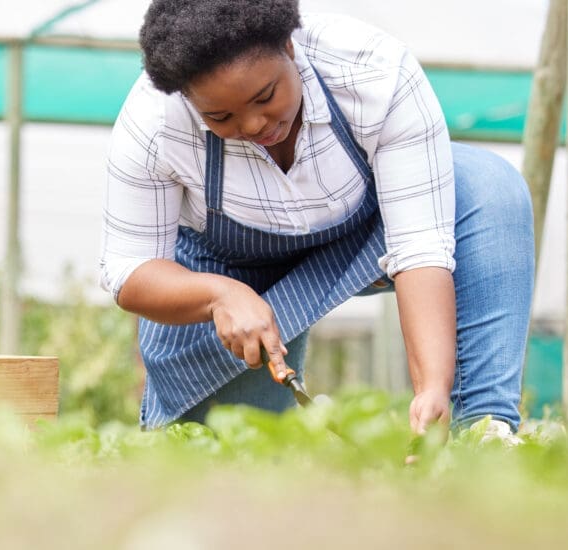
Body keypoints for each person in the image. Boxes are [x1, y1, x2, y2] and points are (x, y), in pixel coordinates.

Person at [101, 0, 533, 440]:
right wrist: (218, 295)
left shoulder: (372, 71)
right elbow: (128, 270)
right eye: (220, 116)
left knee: (484, 187)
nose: (253, 125)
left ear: (290, 47)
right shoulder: (153, 121)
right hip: (231, 269)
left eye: (265, 96)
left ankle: (484, 429)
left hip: (364, 235)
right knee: (235, 453)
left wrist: (433, 388)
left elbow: (419, 245)